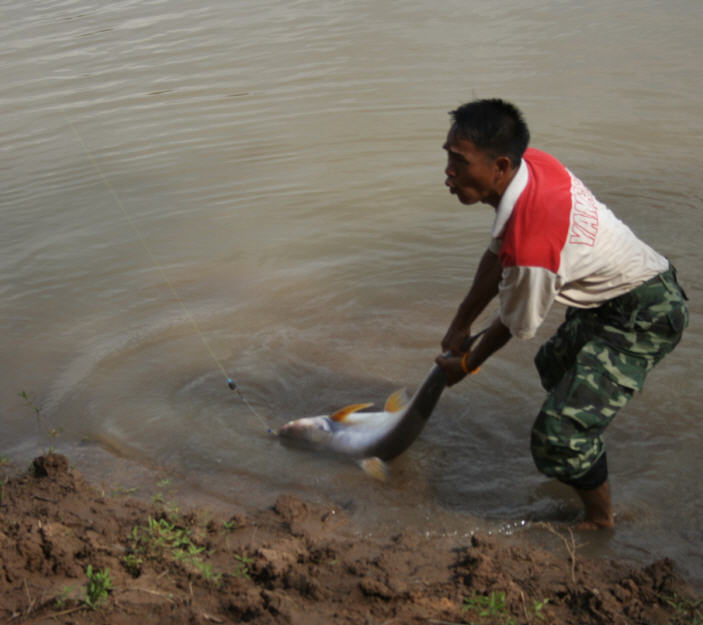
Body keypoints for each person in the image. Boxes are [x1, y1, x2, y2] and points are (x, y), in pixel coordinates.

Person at [435, 98, 688, 530]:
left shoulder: (534, 246)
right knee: (552, 365)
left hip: (645, 313)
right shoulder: (532, 164)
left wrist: (464, 363)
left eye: (459, 162)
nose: (448, 174)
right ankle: (590, 441)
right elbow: (498, 255)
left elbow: (515, 324)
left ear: (499, 166)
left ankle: (600, 520)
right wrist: (460, 323)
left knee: (556, 438)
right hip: (610, 298)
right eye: (448, 157)